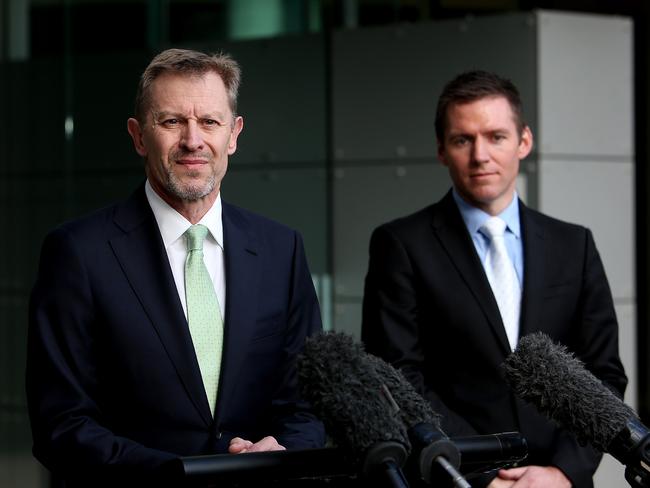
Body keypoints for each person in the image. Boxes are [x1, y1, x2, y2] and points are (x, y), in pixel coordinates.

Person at [26, 48, 325, 486]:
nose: (193, 140)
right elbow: (61, 423)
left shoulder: (282, 249)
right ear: (138, 136)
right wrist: (178, 474)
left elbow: (308, 403)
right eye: (171, 121)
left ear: (234, 134)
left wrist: (281, 455)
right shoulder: (77, 253)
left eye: (210, 122)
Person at [361, 70, 627, 488]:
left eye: (496, 137)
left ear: (524, 141)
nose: (480, 155)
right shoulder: (400, 245)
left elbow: (603, 375)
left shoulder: (573, 245)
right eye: (463, 139)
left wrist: (563, 472)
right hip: (459, 476)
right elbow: (398, 379)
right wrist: (483, 473)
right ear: (441, 150)